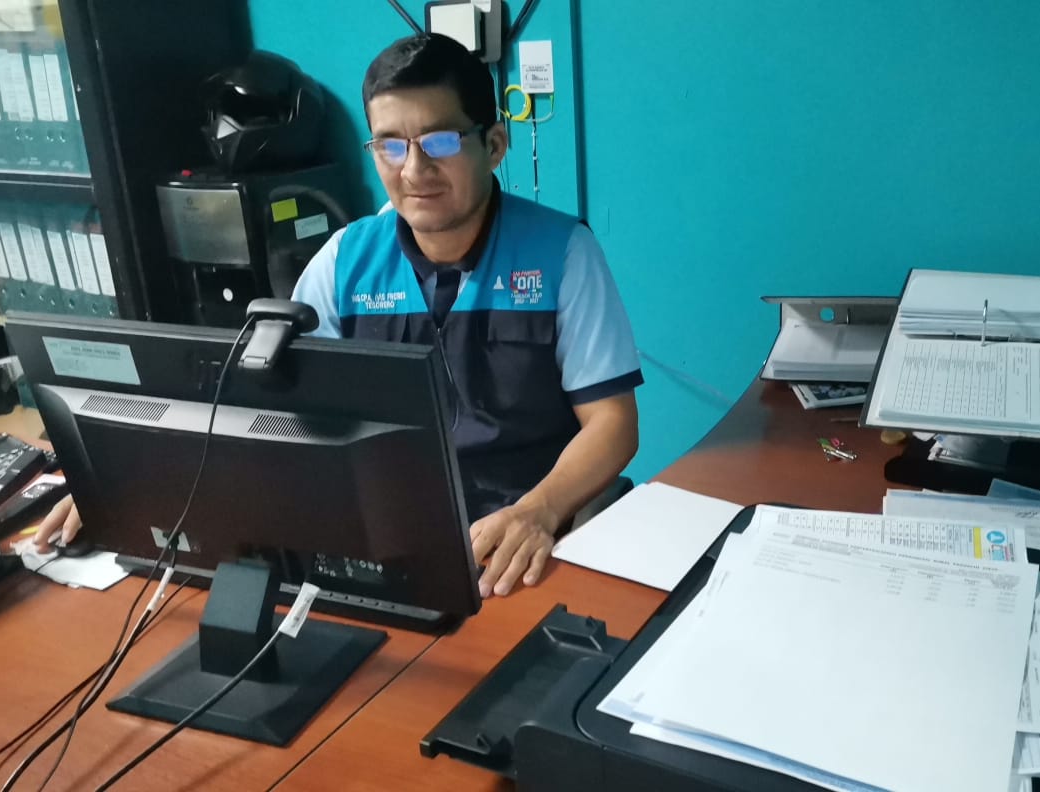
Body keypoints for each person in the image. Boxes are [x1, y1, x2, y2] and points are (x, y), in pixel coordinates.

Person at [35, 33, 642, 598]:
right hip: (382, 538)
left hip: (519, 541)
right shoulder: (345, 262)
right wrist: (139, 486)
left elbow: (612, 423)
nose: (414, 170)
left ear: (494, 145)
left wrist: (540, 510)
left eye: (439, 141)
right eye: (391, 145)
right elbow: (267, 416)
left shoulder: (562, 254)